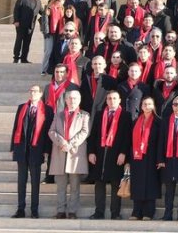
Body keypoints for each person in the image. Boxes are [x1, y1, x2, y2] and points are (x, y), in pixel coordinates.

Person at [10, 85, 53, 219]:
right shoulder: (22, 107)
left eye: (35, 91)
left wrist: (46, 150)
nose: (33, 93)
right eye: (31, 91)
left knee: (35, 182)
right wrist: (13, 147)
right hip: (22, 149)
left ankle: (34, 210)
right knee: (21, 181)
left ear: (40, 94)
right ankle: (20, 209)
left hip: (37, 150)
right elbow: (15, 127)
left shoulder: (47, 109)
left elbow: (48, 132)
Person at [87, 90, 131, 220]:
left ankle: (115, 213)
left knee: (115, 184)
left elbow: (127, 137)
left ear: (119, 100)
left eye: (114, 98)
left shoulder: (125, 115)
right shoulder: (100, 114)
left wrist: (123, 153)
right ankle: (99, 212)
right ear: (106, 101)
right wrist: (91, 152)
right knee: (99, 184)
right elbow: (93, 135)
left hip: (116, 154)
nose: (112, 101)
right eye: (109, 99)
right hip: (100, 154)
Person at [48, 90, 89, 219]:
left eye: (75, 99)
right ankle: (60, 210)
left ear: (80, 100)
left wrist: (70, 144)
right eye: (70, 98)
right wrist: (62, 142)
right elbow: (51, 131)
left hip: (74, 154)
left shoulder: (84, 115)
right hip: (60, 152)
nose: (72, 101)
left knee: (75, 186)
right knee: (60, 186)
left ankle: (72, 211)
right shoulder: (58, 115)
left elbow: (84, 132)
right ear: (65, 100)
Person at [13, 0, 43, 64]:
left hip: (31, 26)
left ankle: (24, 58)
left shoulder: (39, 2)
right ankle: (16, 58)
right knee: (19, 41)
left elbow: (42, 12)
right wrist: (16, 21)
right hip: (21, 24)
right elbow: (17, 9)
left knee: (27, 42)